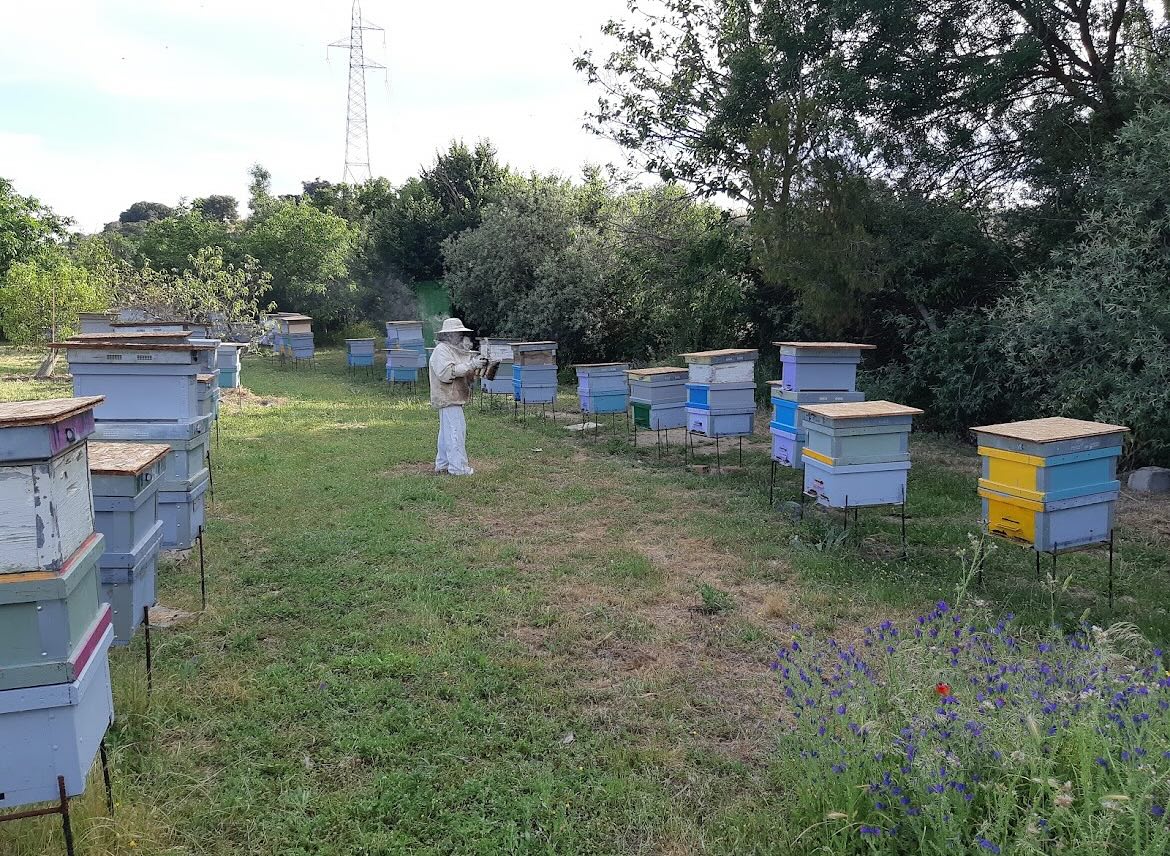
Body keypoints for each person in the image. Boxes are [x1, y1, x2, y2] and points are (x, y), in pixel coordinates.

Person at [429, 318, 487, 476]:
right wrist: (471, 365)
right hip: (448, 397)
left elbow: (465, 372)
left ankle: (443, 464)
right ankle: (458, 468)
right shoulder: (441, 350)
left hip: (454, 397)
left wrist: (476, 369)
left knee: (447, 433)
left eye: (461, 333)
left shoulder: (454, 350)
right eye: (457, 333)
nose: (460, 336)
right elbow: (447, 373)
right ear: (448, 335)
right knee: (456, 432)